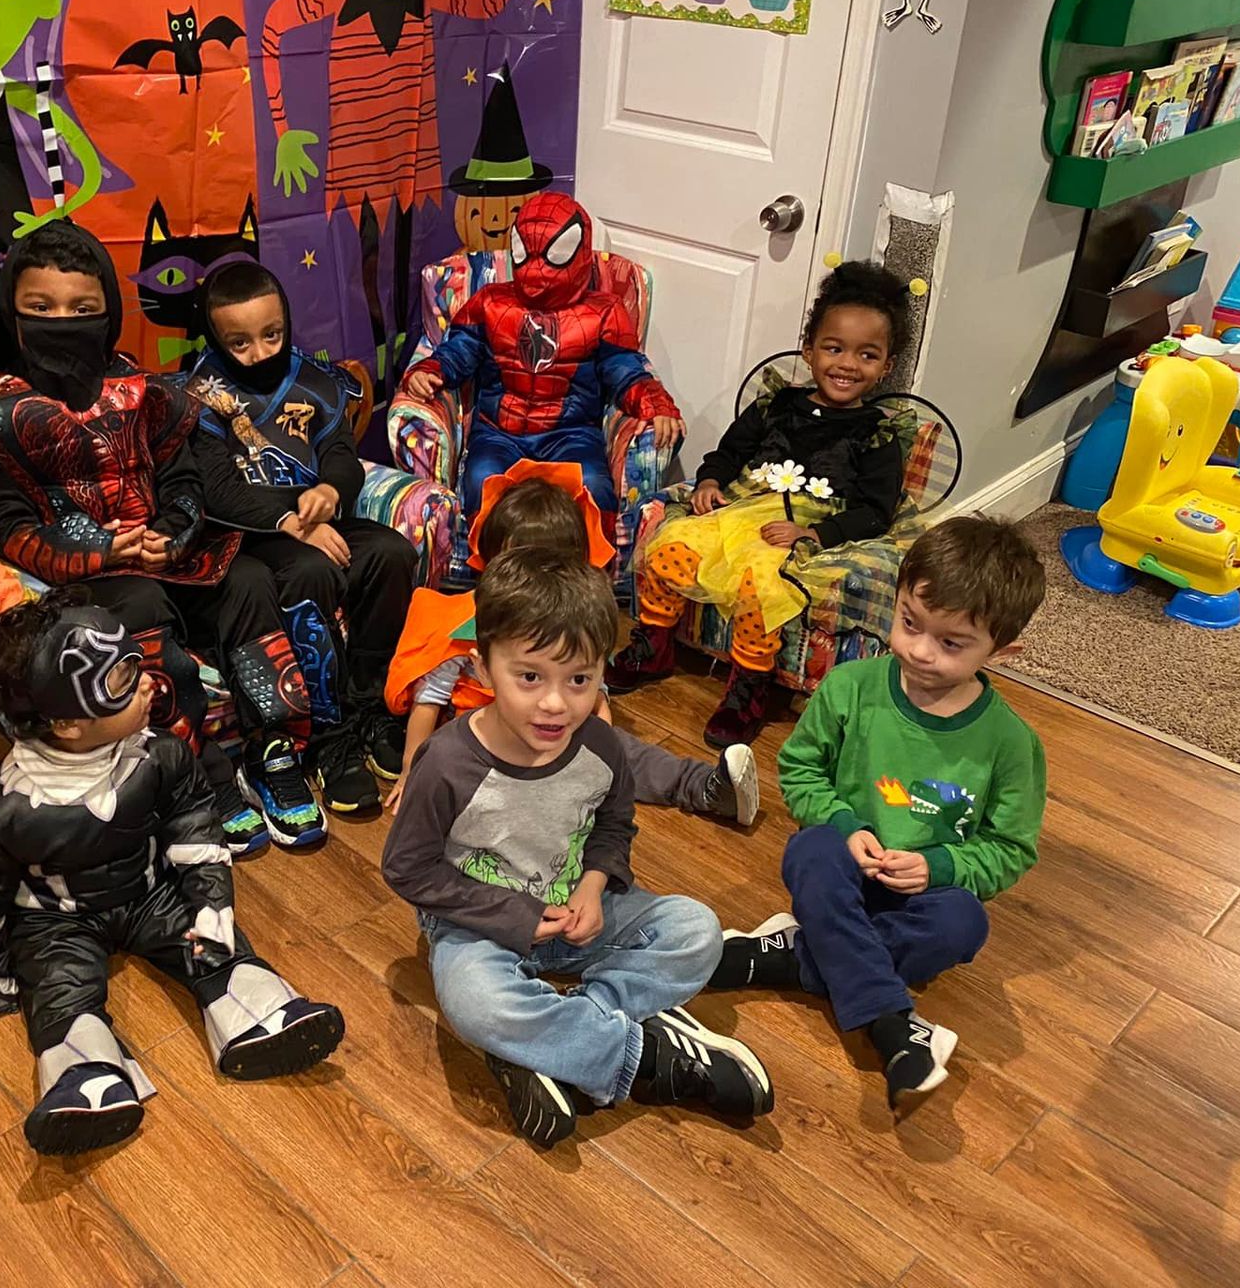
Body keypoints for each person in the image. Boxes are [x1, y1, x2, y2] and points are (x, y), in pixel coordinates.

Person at [0, 220, 324, 854]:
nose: (63, 321)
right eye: (41, 308)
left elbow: (183, 477)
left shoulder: (144, 391)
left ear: (108, 311)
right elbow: (2, 524)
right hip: (96, 576)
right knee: (138, 611)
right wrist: (99, 550)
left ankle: (273, 748)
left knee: (248, 580)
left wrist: (172, 531)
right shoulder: (2, 412)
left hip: (175, 558)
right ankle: (203, 774)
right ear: (14, 314)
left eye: (82, 308)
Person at [381, 549, 772, 1148]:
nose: (556, 703)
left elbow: (614, 827)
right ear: (483, 668)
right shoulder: (448, 763)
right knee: (473, 1002)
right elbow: (407, 868)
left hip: (577, 913)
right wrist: (514, 915)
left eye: (580, 680)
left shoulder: (602, 746)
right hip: (477, 926)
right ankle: (644, 1059)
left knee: (697, 932)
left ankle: (553, 1042)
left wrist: (594, 884)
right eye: (530, 676)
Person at [0, 586, 345, 1155]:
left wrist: (210, 900)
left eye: (135, 665)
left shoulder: (159, 753)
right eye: (119, 682)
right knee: (61, 987)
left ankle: (254, 1004)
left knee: (212, 940)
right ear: (66, 724)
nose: (147, 686)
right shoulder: (7, 807)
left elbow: (193, 823)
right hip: (57, 918)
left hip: (148, 888)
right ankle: (86, 1075)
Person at [714, 516, 1046, 1109]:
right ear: (896, 602)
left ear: (1004, 650)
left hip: (920, 896)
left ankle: (795, 955)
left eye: (951, 643)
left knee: (965, 925)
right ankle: (893, 1024)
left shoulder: (1011, 744)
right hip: (839, 870)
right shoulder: (850, 686)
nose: (919, 651)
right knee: (810, 849)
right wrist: (845, 826)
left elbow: (1010, 849)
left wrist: (940, 867)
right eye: (909, 623)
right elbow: (799, 771)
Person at [608, 261, 913, 748]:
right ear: (810, 350)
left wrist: (812, 536)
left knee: (763, 582)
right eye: (834, 348)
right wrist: (709, 481)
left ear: (886, 365)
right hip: (744, 508)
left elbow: (876, 511)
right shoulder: (775, 404)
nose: (847, 365)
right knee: (673, 543)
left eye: (867, 355)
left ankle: (749, 687)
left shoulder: (877, 433)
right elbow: (728, 453)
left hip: (806, 525)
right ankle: (653, 645)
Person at [383, 460, 757, 826]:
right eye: (521, 564)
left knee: (626, 752)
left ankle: (705, 787)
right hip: (488, 741)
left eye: (553, 567)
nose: (536, 583)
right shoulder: (466, 621)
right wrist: (411, 772)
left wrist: (602, 729)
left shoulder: (574, 618)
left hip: (558, 729)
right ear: (494, 559)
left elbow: (594, 684)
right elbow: (428, 703)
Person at [185, 261, 418, 814]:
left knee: (391, 553)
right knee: (309, 571)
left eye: (272, 334)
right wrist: (290, 520)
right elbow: (214, 489)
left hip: (316, 524)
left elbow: (341, 455)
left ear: (286, 321)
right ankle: (327, 736)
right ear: (215, 338)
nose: (259, 352)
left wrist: (333, 494)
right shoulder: (200, 393)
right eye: (238, 342)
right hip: (246, 538)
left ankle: (370, 706)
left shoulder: (316, 381)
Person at [400, 193, 683, 527]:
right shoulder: (489, 302)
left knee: (595, 492)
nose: (537, 269)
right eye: (526, 254)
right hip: (497, 433)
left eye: (554, 255)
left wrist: (655, 402)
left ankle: (584, 578)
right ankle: (496, 576)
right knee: (480, 486)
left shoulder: (605, 311)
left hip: (573, 435)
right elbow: (459, 350)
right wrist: (430, 369)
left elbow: (625, 369)